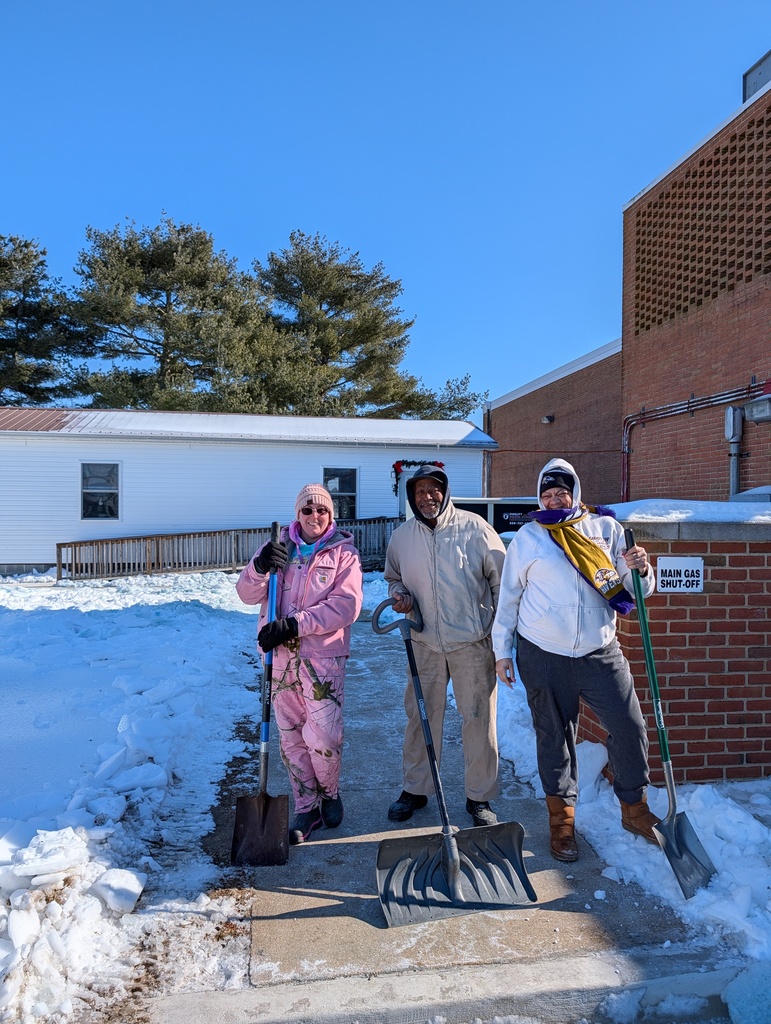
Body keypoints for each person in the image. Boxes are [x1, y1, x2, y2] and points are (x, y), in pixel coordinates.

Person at [491, 458, 660, 862]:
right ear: (538, 497)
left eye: (561, 492)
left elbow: (637, 591)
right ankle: (562, 822)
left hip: (600, 651)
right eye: (546, 494)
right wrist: (501, 651)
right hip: (542, 653)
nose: (553, 500)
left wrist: (642, 569)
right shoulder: (529, 538)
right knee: (553, 736)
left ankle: (634, 809)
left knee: (629, 724)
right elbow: (509, 598)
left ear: (575, 492)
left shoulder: (604, 529)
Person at [236, 484, 363, 845]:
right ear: (298, 514)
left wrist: (295, 624)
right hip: (278, 658)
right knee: (291, 735)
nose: (314, 517)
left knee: (324, 735)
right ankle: (306, 806)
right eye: (307, 510)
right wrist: (259, 567)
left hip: (322, 658)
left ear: (331, 515)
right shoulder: (278, 548)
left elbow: (347, 606)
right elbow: (246, 594)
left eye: (321, 510)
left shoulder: (343, 554)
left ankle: (330, 793)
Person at [384, 465, 507, 828]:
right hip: (423, 642)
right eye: (420, 491)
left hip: (471, 643)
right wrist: (400, 595)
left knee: (478, 719)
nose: (427, 497)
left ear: (445, 491)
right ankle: (416, 788)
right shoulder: (402, 537)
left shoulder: (476, 530)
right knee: (421, 718)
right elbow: (393, 578)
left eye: (433, 490)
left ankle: (479, 797)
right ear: (412, 496)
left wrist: (501, 636)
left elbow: (503, 583)